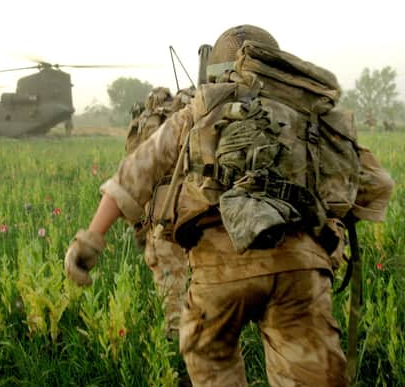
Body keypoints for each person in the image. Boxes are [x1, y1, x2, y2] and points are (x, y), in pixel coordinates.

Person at [64, 25, 393, 386]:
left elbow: (131, 177)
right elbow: (376, 186)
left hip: (218, 272)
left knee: (212, 358)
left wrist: (89, 242)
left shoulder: (199, 111)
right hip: (299, 267)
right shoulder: (311, 113)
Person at [124, 86, 194, 340]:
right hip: (197, 209)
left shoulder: (148, 125)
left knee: (169, 277)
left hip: (164, 213)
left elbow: (133, 170)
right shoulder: (196, 114)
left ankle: (176, 338)